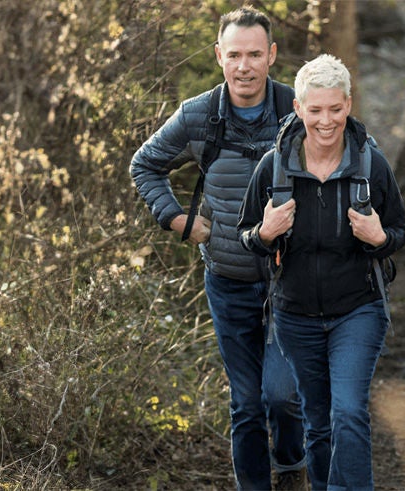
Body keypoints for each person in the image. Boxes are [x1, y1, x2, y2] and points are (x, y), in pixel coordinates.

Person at [129, 6, 305, 489]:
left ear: (271, 55)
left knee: (284, 397)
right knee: (247, 404)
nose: (244, 66)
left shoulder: (300, 109)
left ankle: (292, 465)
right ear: (219, 57)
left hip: (293, 283)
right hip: (227, 283)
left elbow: (351, 160)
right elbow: (144, 165)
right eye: (234, 55)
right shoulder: (198, 115)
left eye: (254, 54)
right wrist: (180, 221)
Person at [237, 54, 405, 490]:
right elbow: (245, 236)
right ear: (298, 108)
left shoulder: (370, 165)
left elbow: (400, 231)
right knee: (317, 422)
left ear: (348, 104)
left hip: (358, 310)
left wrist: (378, 238)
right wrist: (265, 231)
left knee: (348, 410)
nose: (326, 121)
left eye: (335, 109)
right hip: (294, 315)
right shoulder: (273, 168)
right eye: (315, 110)